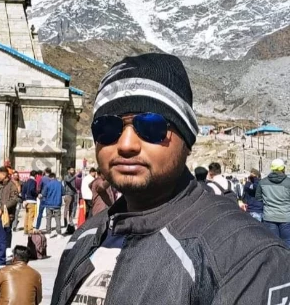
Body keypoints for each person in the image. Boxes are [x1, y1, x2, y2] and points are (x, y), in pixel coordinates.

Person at [51, 53, 290, 305]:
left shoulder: (245, 256)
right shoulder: (84, 238)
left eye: (150, 126)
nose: (126, 144)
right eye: (107, 128)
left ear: (187, 139)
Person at [256, 159, 290, 246]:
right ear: (283, 168)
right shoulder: (288, 182)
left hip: (269, 217)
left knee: (273, 244)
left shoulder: (262, 182)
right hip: (286, 218)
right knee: (287, 243)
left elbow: (258, 198)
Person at [42, 173, 63, 238]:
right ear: (55, 177)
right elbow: (63, 192)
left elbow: (44, 194)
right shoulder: (59, 184)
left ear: (50, 177)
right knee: (58, 219)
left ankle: (48, 233)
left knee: (48, 218)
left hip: (49, 204)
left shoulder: (47, 184)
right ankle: (59, 233)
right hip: (57, 204)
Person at [22, 170, 38, 234]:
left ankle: (25, 229)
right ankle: (30, 230)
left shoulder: (26, 181)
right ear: (35, 175)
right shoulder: (33, 181)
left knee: (27, 215)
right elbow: (32, 190)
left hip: (26, 201)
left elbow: (23, 192)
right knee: (31, 216)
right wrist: (36, 194)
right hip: (32, 200)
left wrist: (24, 199)